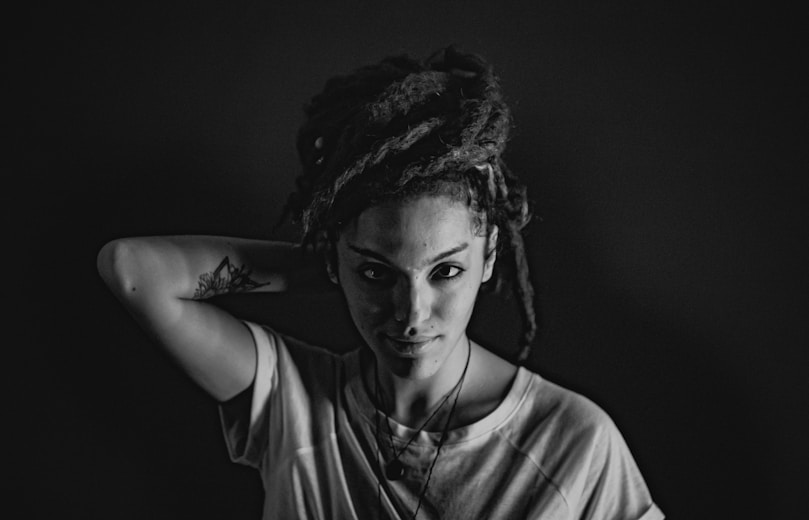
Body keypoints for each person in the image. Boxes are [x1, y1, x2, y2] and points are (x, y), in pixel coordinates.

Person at [97, 46, 664, 520]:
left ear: (489, 255)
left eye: (445, 271)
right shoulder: (293, 403)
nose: (411, 312)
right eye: (377, 273)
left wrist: (358, 269)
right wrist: (330, 266)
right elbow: (132, 271)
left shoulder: (572, 446)